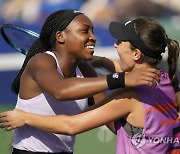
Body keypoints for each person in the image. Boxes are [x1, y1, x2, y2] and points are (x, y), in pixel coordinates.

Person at [0, 9, 161, 154]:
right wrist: (121, 79)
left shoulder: (84, 70)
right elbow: (60, 90)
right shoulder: (41, 61)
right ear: (60, 36)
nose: (93, 37)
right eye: (85, 31)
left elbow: (111, 121)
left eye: (92, 31)